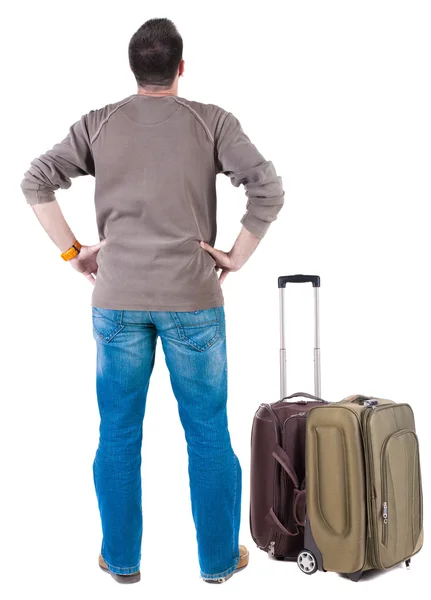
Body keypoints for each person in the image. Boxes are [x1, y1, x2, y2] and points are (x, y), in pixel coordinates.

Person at [20, 18, 285, 584]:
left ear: (134, 69)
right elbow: (268, 187)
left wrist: (76, 254)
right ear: (181, 68)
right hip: (193, 299)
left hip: (116, 302)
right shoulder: (211, 121)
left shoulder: (100, 123)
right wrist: (236, 255)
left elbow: (35, 181)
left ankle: (120, 562)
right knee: (208, 433)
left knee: (117, 432)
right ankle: (217, 563)